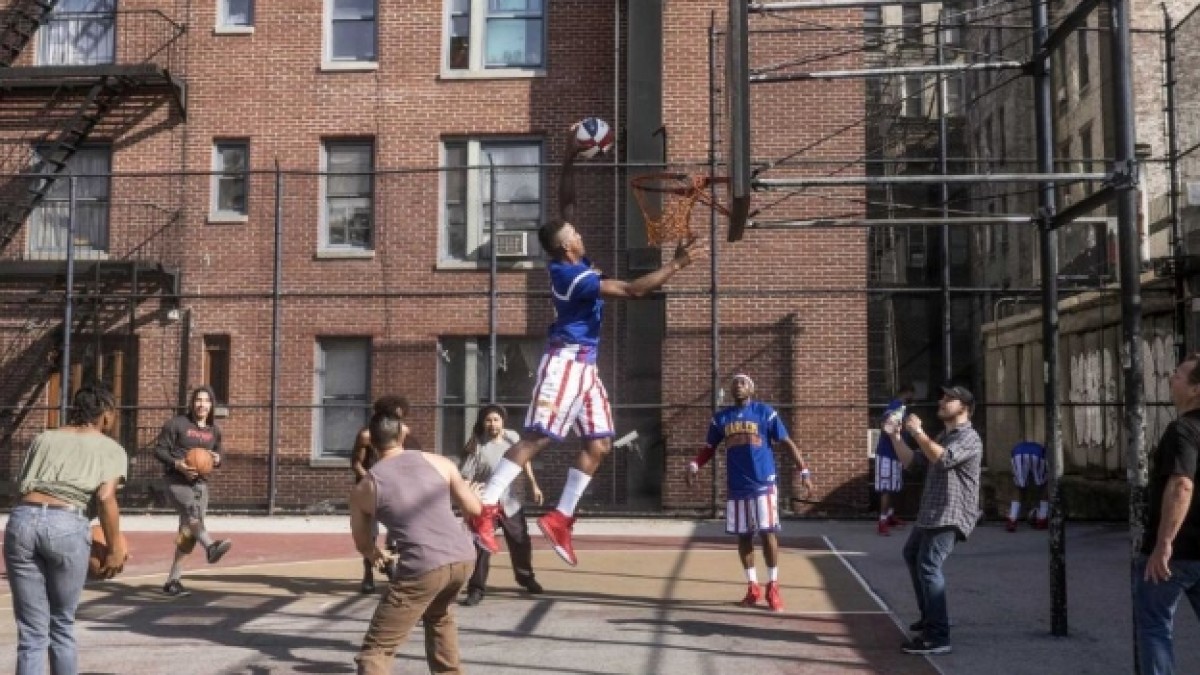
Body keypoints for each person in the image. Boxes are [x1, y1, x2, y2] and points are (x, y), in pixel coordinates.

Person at [467, 125, 706, 567]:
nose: (580, 232)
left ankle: (561, 518)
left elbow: (566, 204)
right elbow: (634, 290)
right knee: (537, 437)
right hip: (565, 363)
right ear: (566, 245)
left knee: (600, 443)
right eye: (575, 232)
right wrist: (676, 264)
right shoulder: (572, 276)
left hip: (586, 368)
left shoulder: (573, 258)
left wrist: (570, 157)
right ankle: (485, 508)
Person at [350, 400, 481, 675]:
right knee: (439, 617)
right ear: (402, 435)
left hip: (424, 565)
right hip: (463, 557)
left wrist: (375, 554)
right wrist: (473, 495)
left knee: (376, 650)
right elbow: (474, 509)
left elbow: (362, 542)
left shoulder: (366, 486)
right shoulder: (439, 462)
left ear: (371, 443)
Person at [5, 383, 128, 674]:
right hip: (66, 521)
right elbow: (105, 497)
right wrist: (114, 548)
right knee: (61, 624)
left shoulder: (44, 438)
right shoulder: (110, 448)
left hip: (22, 520)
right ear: (106, 414)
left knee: (31, 632)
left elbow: (24, 485)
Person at [684, 373, 814, 612]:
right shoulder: (721, 419)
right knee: (744, 536)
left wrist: (803, 470)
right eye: (734, 383)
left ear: (752, 389)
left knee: (767, 533)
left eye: (743, 383)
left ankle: (773, 585)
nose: (738, 385)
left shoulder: (765, 412)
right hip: (737, 486)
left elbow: (786, 442)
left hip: (763, 483)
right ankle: (753, 586)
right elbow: (709, 448)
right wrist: (694, 465)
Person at [882, 384, 982, 656]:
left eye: (950, 399)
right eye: (943, 397)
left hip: (951, 512)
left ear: (965, 408)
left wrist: (917, 431)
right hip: (931, 512)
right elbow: (913, 462)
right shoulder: (943, 436)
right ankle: (930, 617)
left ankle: (938, 636)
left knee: (928, 565)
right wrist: (895, 437)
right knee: (912, 554)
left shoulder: (969, 437)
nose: (942, 401)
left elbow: (943, 459)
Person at [1135, 354, 1200, 675]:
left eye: (1178, 376)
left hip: (1179, 551)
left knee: (1155, 626)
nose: (1171, 380)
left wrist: (1164, 543)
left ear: (1195, 389)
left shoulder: (1182, 430)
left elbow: (1181, 485)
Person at [458, 405, 545, 606]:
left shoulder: (512, 438)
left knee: (520, 541)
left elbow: (524, 459)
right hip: (486, 505)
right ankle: (476, 588)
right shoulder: (476, 446)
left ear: (503, 421)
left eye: (496, 420)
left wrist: (533, 484)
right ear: (482, 423)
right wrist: (469, 503)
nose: (492, 424)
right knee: (482, 546)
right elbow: (465, 479)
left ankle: (525, 578)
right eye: (488, 420)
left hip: (510, 502)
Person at [153, 385, 232, 597]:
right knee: (192, 514)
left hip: (200, 485)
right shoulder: (177, 424)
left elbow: (219, 453)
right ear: (192, 403)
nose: (202, 404)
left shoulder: (214, 430)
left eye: (206, 401)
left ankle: (173, 581)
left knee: (188, 533)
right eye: (198, 400)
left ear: (211, 405)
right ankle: (211, 547)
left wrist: (217, 458)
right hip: (176, 481)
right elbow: (159, 450)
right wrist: (178, 464)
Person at [351, 395, 410, 593]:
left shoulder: (402, 432)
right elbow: (356, 463)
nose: (399, 419)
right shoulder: (366, 435)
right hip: (371, 487)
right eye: (396, 415)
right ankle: (368, 573)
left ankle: (390, 566)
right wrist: (371, 478)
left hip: (393, 486)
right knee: (370, 532)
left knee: (395, 529)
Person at [875, 384, 915, 536]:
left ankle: (890, 516)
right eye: (912, 394)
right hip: (887, 454)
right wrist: (894, 428)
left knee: (894, 487)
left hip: (896, 454)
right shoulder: (896, 406)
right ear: (907, 392)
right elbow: (886, 427)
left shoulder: (900, 407)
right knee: (886, 489)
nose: (913, 397)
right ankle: (882, 521)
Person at [1007, 440, 1048, 532]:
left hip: (1018, 454)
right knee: (1043, 485)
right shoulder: (1041, 447)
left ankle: (1012, 519)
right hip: (1038, 454)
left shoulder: (1018, 446)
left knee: (1018, 486)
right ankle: (1042, 518)